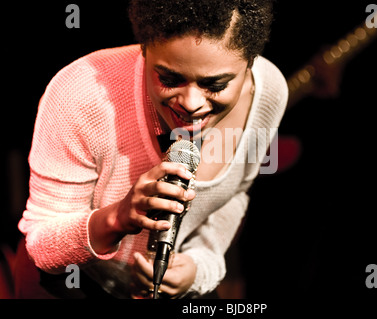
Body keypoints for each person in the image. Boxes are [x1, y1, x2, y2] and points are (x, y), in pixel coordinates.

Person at [17, 0, 287, 298]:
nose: (191, 103)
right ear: (144, 49)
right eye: (170, 79)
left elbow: (235, 195)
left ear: (250, 63)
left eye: (215, 85)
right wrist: (116, 219)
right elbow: (42, 248)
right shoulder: (80, 93)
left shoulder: (268, 93)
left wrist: (199, 266)